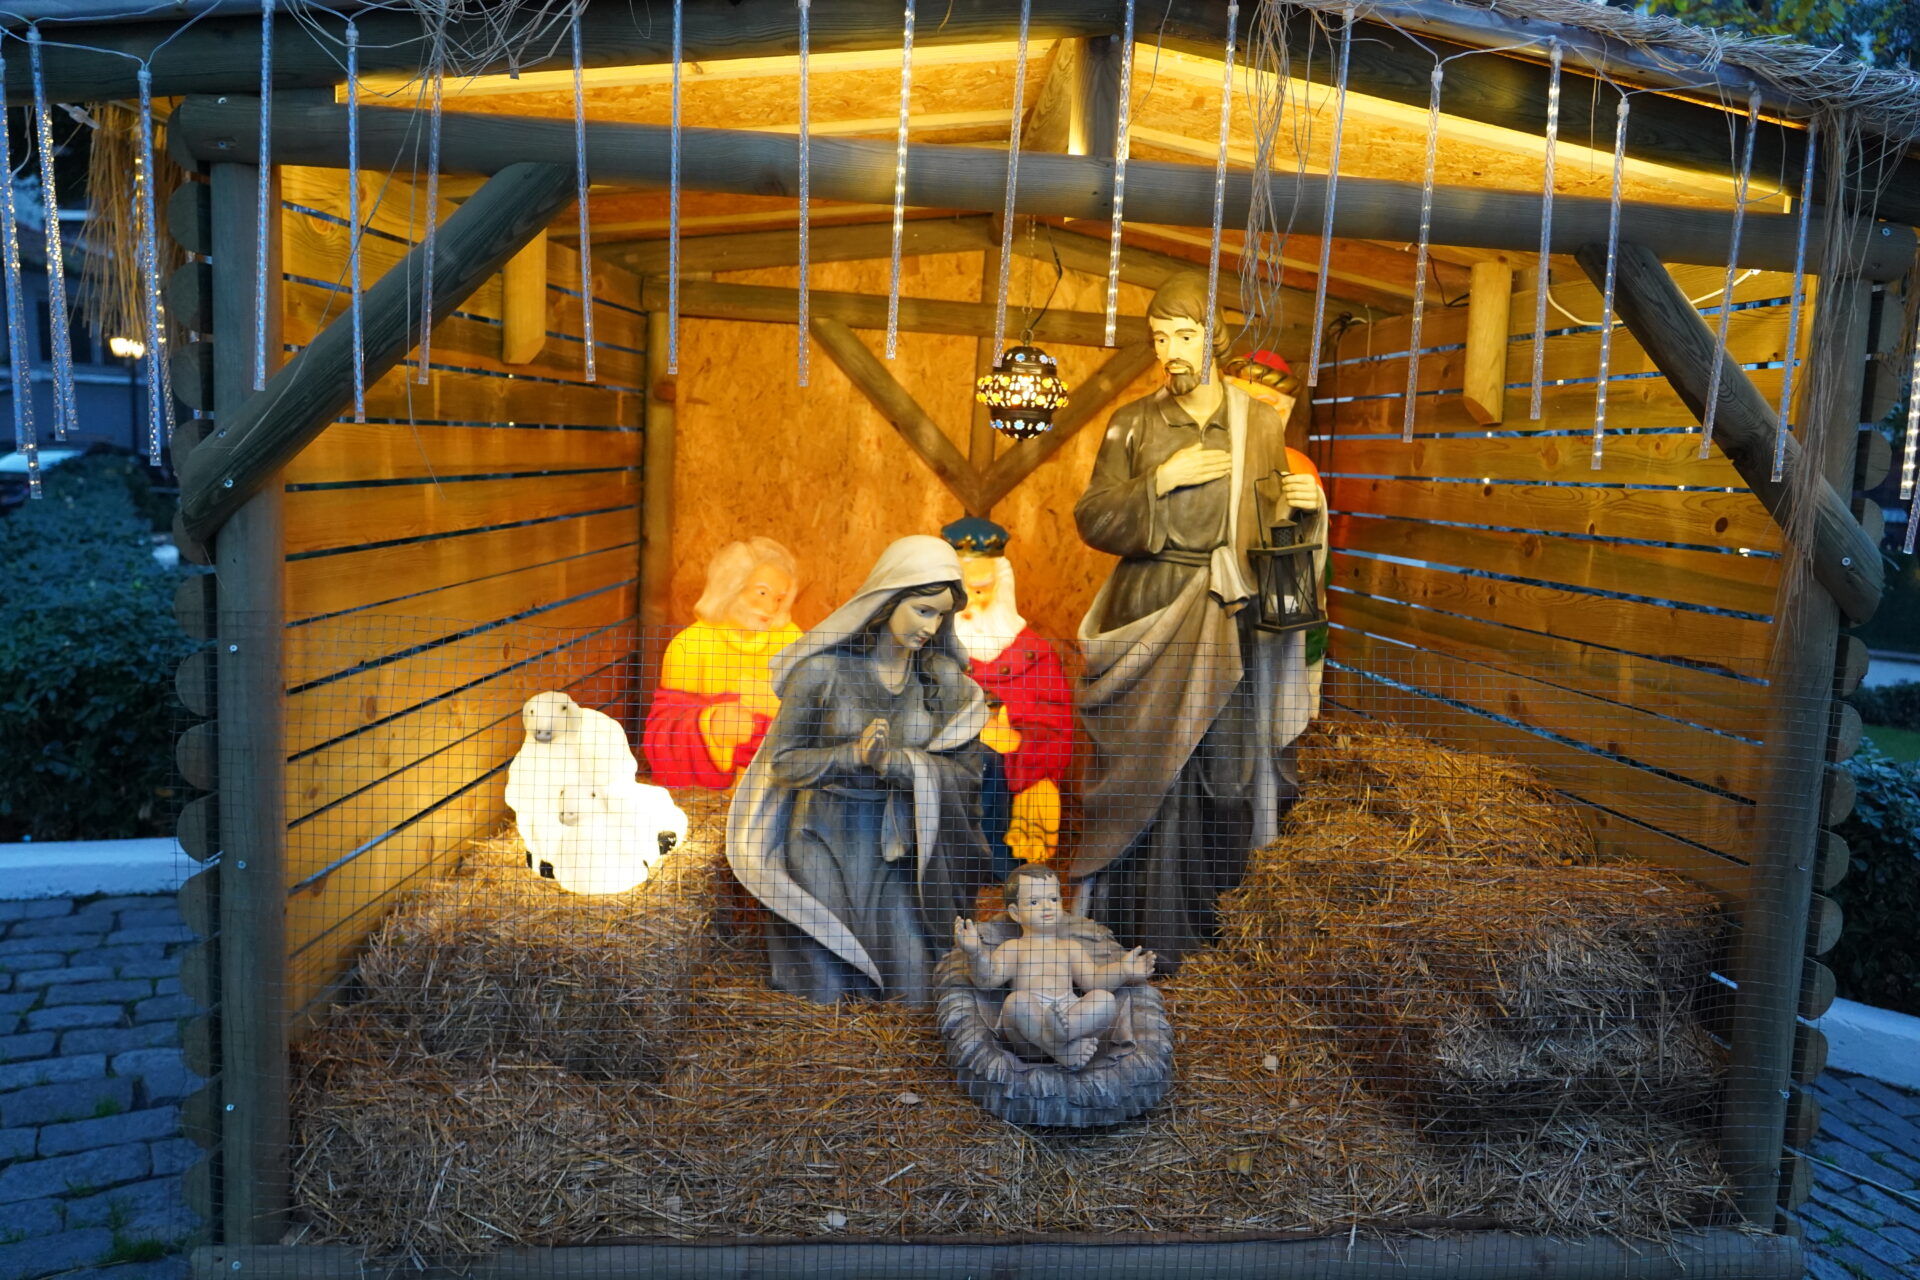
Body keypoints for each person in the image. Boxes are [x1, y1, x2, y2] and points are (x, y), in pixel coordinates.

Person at [1071, 271, 1327, 968]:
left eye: (1184, 336)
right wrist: (1159, 482)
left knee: (1225, 774)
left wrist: (1306, 516)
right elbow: (1092, 517)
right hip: (1149, 608)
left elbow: (1276, 529)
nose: (1171, 353)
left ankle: (1216, 946)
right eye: (1160, 339)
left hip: (1228, 616)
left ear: (1214, 338)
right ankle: (1127, 935)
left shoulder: (1258, 425)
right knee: (1144, 777)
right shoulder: (1132, 423)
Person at [726, 535, 996, 1006]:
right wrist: (851, 755)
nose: (931, 627)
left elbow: (968, 771)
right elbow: (783, 762)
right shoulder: (823, 673)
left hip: (896, 847)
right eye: (922, 610)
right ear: (888, 599)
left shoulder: (940, 680)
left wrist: (900, 764)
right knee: (826, 993)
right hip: (821, 837)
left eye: (940, 615)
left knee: (914, 994)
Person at [940, 517, 1074, 873]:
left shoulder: (1035, 654)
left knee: (987, 761)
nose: (971, 603)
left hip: (1004, 769)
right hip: (941, 757)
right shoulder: (930, 647)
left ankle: (993, 865)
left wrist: (1017, 741)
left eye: (981, 590)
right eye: (963, 591)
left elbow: (1056, 726)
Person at [954, 864, 1155, 1071]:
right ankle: (1059, 1048)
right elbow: (987, 980)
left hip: (1070, 1019)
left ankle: (1061, 1038)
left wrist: (1123, 970)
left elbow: (1094, 980)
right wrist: (975, 953)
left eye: (1053, 899)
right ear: (1015, 913)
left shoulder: (1070, 947)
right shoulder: (1014, 948)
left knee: (1105, 999)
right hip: (1030, 1034)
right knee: (1015, 1002)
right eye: (1034, 902)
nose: (1047, 907)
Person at [643, 538, 802, 788]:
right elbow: (663, 733)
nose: (770, 607)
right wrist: (713, 724)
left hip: (774, 778)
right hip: (708, 788)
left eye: (779, 598)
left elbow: (815, 718)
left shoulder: (790, 640)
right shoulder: (690, 645)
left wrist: (778, 708)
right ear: (731, 586)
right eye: (762, 593)